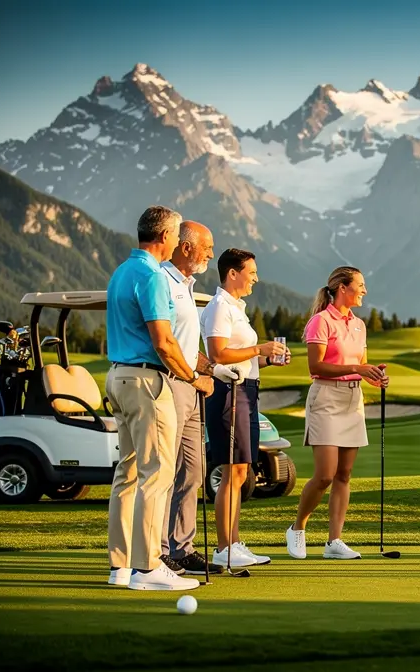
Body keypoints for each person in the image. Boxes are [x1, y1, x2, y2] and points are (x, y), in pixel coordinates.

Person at [105, 205, 211, 591]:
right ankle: (148, 568)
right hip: (148, 382)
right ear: (166, 237)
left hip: (118, 377)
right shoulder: (151, 276)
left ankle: (120, 566)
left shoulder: (122, 271)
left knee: (128, 474)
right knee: (158, 473)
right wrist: (193, 377)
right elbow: (164, 342)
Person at [285, 267, 389, 560]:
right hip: (326, 399)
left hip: (352, 400)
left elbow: (362, 364)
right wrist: (356, 368)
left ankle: (334, 542)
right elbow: (316, 367)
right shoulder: (321, 321)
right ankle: (297, 528)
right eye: (360, 285)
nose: (365, 291)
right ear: (343, 288)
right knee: (325, 475)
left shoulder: (359, 324)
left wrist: (374, 376)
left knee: (344, 473)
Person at [201, 248, 288, 569]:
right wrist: (259, 348)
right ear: (233, 273)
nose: (255, 278)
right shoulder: (219, 307)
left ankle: (234, 542)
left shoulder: (236, 309)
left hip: (246, 389)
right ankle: (224, 547)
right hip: (227, 392)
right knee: (231, 470)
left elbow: (241, 355)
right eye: (251, 272)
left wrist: (265, 360)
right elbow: (218, 354)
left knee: (242, 470)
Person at [158, 220, 229, 577]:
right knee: (166, 471)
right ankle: (157, 552)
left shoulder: (186, 286)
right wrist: (193, 376)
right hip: (170, 383)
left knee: (194, 470)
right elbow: (164, 344)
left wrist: (211, 369)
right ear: (186, 247)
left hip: (191, 384)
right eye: (207, 247)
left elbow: (188, 346)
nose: (211, 255)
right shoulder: (163, 282)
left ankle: (181, 548)